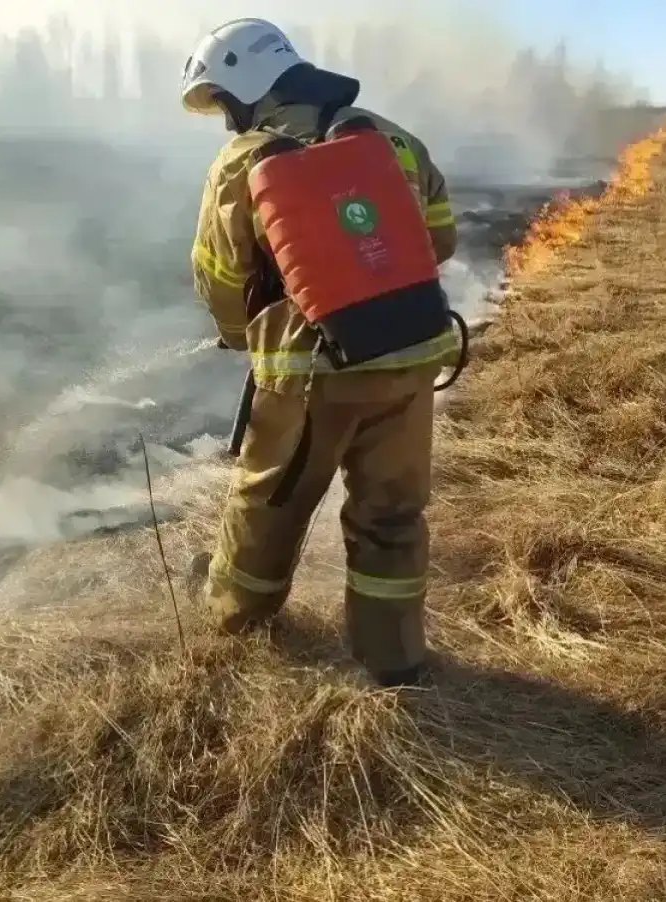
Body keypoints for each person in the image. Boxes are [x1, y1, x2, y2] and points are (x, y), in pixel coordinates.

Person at [180, 17, 461, 688]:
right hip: (409, 352)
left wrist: (240, 336)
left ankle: (235, 619)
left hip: (310, 372)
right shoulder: (392, 138)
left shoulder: (242, 161)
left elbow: (219, 275)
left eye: (224, 101)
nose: (227, 118)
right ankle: (392, 655)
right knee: (391, 511)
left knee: (270, 503)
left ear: (247, 86)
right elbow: (440, 240)